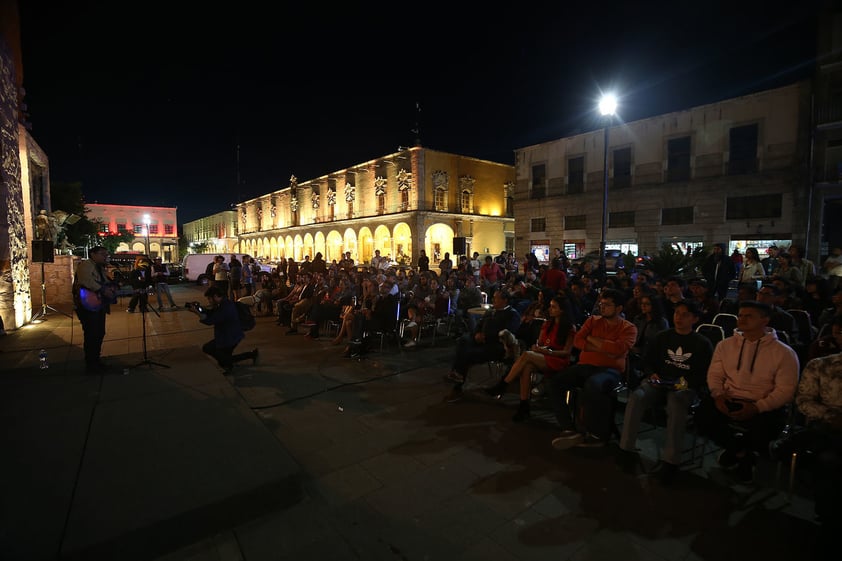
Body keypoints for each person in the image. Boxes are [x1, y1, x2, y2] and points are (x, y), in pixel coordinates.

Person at [694, 300, 799, 483]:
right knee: (701, 417)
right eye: (740, 315)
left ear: (764, 320)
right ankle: (742, 453)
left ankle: (739, 451)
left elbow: (786, 390)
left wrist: (758, 407)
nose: (742, 319)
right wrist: (718, 394)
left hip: (762, 403)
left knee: (765, 430)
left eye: (749, 316)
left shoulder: (784, 353)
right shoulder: (725, 345)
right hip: (729, 396)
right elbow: (715, 374)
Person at [618, 299, 714, 484]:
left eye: (685, 314)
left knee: (677, 403)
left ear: (694, 319)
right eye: (677, 313)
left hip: (684, 385)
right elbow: (648, 361)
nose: (679, 318)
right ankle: (626, 449)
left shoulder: (702, 343)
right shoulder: (663, 337)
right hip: (659, 381)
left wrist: (683, 382)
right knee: (637, 397)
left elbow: (704, 373)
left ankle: (670, 461)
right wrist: (652, 374)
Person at [549, 288, 638, 448]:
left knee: (594, 385)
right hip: (585, 365)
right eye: (601, 304)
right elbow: (578, 341)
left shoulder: (628, 328)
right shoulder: (592, 321)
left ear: (619, 308)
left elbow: (619, 349)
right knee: (556, 382)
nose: (602, 307)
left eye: (607, 305)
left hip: (610, 370)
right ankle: (569, 428)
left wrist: (592, 341)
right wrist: (604, 347)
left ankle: (596, 433)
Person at [483, 295, 576, 422]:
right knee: (526, 367)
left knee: (527, 355)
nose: (550, 309)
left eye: (554, 307)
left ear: (562, 310)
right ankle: (523, 406)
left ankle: (503, 385)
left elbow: (566, 352)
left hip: (558, 360)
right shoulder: (547, 324)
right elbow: (541, 343)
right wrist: (538, 348)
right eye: (550, 306)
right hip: (544, 356)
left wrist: (545, 351)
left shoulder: (569, 328)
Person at [794, 350, 842, 557]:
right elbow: (804, 400)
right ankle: (829, 524)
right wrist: (830, 415)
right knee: (829, 462)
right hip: (830, 429)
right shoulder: (822, 365)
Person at [444, 289, 521, 403]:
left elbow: (507, 333)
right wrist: (477, 334)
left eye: (496, 298)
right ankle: (457, 374)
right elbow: (479, 324)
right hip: (481, 339)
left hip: (496, 345)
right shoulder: (491, 311)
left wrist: (487, 336)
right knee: (463, 341)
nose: (493, 300)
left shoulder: (512, 314)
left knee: (468, 354)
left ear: (505, 300)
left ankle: (457, 382)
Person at [189, 285, 258, 373]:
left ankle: (247, 356)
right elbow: (212, 312)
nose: (209, 301)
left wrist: (197, 313)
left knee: (211, 350)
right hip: (228, 336)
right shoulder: (223, 304)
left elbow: (210, 321)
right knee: (223, 357)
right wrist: (200, 309)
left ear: (215, 296)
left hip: (230, 338)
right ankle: (249, 355)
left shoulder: (226, 307)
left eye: (209, 299)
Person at [72, 246, 117, 374]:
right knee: (92, 334)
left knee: (99, 333)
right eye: (102, 254)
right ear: (93, 254)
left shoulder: (99, 267)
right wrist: (103, 290)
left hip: (97, 304)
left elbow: (102, 282)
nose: (105, 256)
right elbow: (86, 281)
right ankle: (91, 364)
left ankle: (96, 360)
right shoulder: (86, 265)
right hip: (88, 305)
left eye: (106, 254)